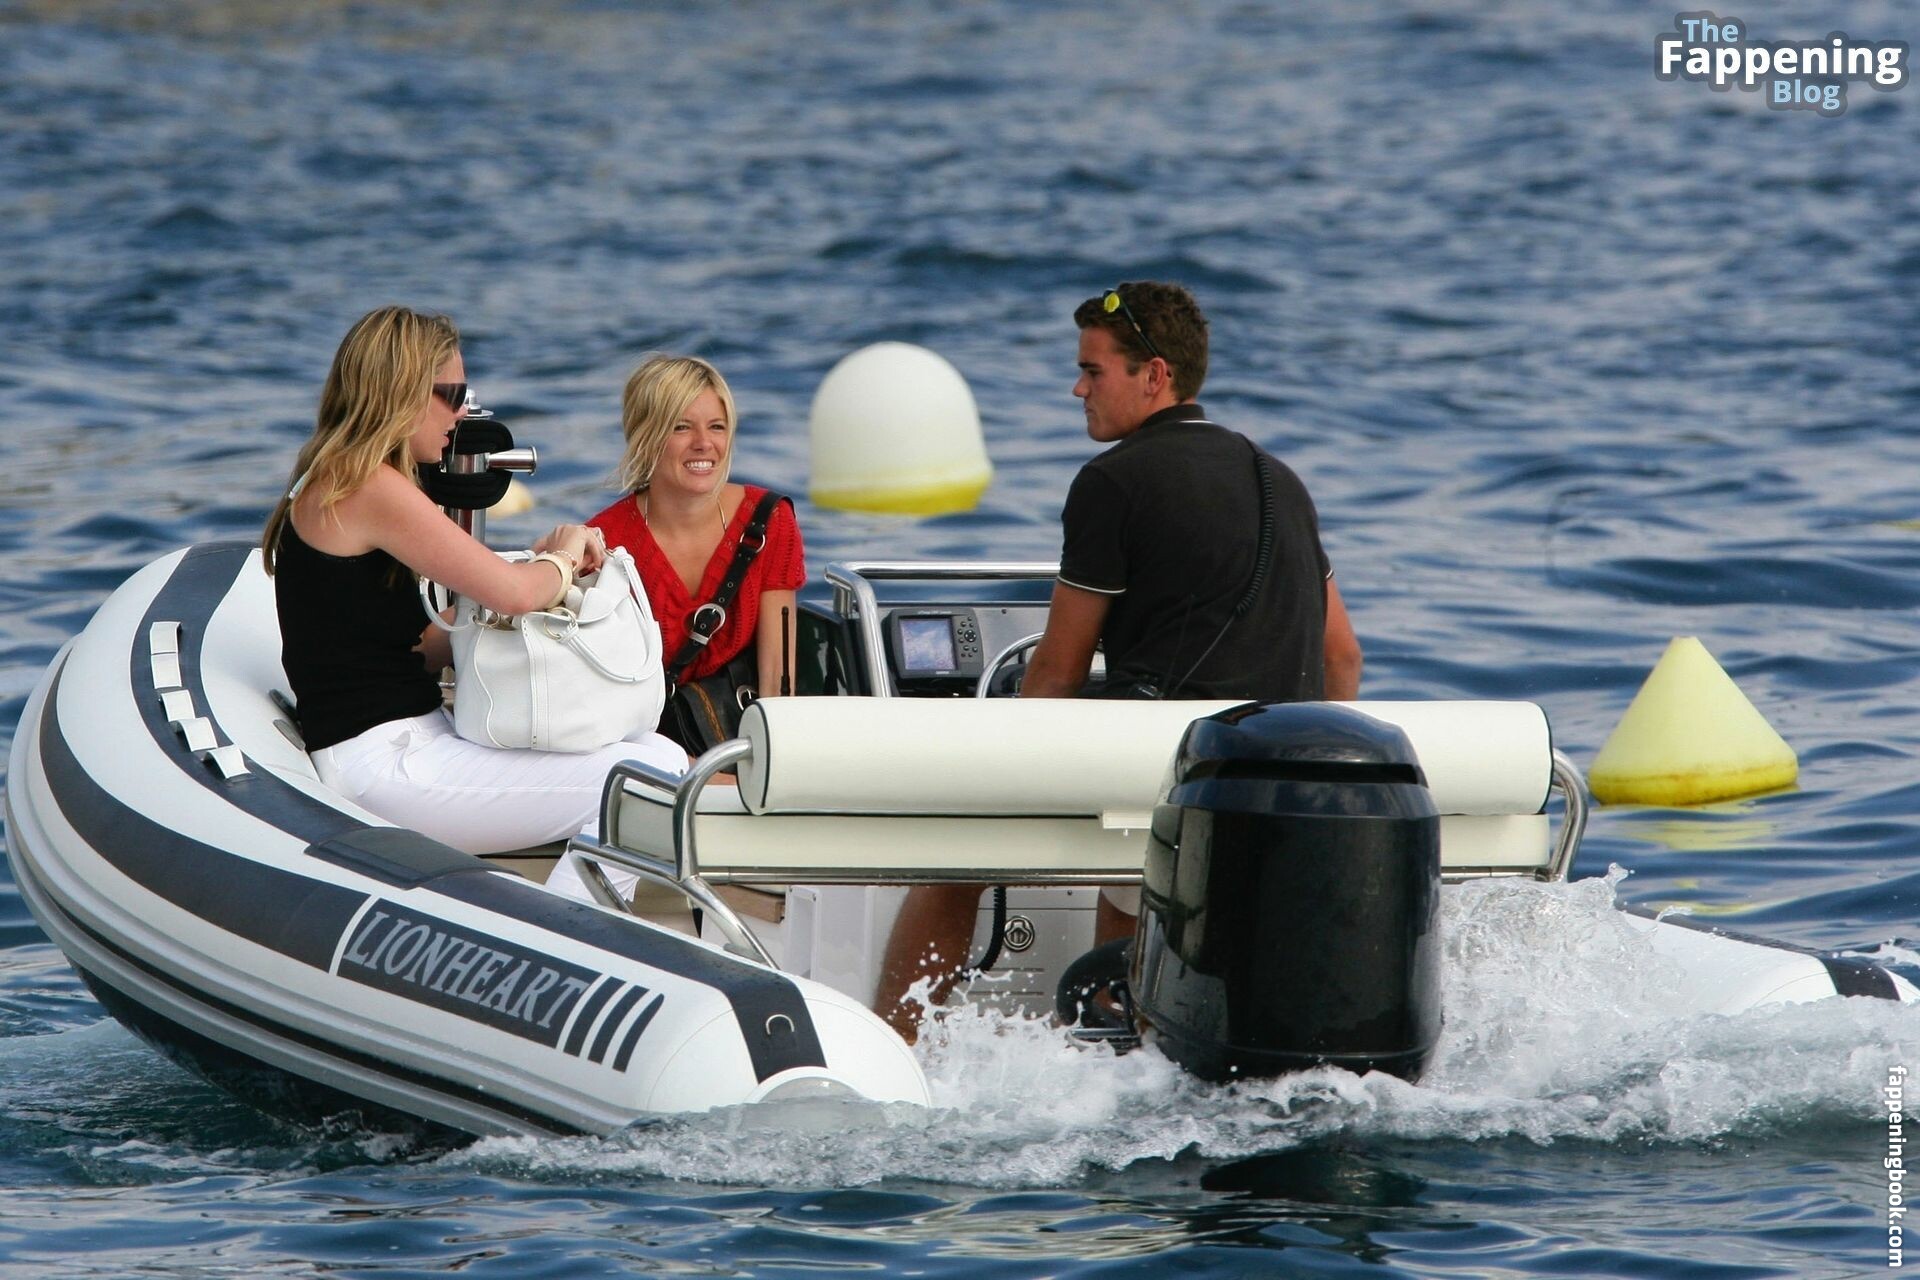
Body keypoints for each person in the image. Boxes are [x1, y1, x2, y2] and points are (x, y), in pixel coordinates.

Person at [875, 281, 1362, 1036]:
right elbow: (1343, 657)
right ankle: (1117, 1036)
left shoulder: (1114, 482)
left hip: (1162, 764)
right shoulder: (1283, 483)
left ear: (1154, 375)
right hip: (1269, 776)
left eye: (1092, 371)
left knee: (955, 845)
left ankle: (895, 1046)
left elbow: (1057, 671)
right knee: (1132, 851)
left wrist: (998, 780)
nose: (1078, 389)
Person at [262, 305, 686, 889]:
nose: (463, 413)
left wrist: (538, 577)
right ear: (403, 391)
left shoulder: (336, 477)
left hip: (406, 740)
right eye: (453, 394)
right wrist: (563, 558)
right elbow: (513, 595)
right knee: (649, 775)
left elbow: (413, 645)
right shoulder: (368, 487)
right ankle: (571, 928)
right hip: (382, 763)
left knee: (653, 750)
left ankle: (573, 908)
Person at [587, 355, 805, 745]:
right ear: (646, 435)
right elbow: (603, 699)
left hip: (741, 738)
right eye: (681, 427)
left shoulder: (768, 519)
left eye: (717, 427)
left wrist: (770, 764)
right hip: (642, 746)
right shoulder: (604, 540)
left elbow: (778, 683)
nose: (704, 443)